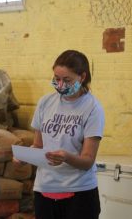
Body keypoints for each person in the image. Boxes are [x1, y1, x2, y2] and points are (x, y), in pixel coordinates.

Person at [14, 50, 105, 219]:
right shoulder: (45, 103)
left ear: (82, 77)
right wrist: (25, 156)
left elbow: (87, 161)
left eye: (67, 80)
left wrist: (66, 157)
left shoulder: (93, 108)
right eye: (57, 79)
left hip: (79, 193)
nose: (61, 85)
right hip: (45, 189)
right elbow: (38, 146)